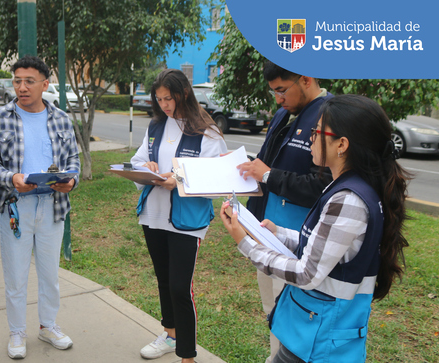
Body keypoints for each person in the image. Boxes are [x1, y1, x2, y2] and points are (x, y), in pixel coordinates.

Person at [221, 94, 409, 363]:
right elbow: (323, 247)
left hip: (321, 340)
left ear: (342, 144)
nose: (310, 137)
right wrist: (279, 234)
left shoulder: (349, 200)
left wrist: (245, 242)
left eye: (317, 131)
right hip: (312, 330)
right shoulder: (343, 186)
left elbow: (307, 273)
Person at [0, 55, 80, 359]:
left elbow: (73, 161)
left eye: (29, 81)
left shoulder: (62, 118)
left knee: (50, 273)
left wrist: (71, 181)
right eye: (17, 80)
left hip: (53, 205)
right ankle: (17, 333)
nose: (21, 87)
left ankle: (48, 325)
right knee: (16, 274)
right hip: (16, 206)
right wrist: (12, 178)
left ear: (44, 84)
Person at [237, 61, 333, 362]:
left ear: (306, 79)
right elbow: (266, 164)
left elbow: (324, 186)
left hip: (298, 242)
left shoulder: (331, 117)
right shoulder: (284, 115)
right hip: (267, 230)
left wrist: (268, 175)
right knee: (274, 313)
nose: (278, 99)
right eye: (273, 92)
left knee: (296, 318)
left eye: (282, 90)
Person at [130, 69, 228, 363]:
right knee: (163, 280)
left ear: (183, 94)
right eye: (159, 99)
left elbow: (218, 178)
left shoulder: (207, 131)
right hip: (154, 214)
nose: (163, 105)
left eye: (168, 98)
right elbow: (137, 160)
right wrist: (145, 167)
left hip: (188, 220)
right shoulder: (156, 126)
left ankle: (187, 356)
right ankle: (169, 334)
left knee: (179, 286)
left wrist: (179, 179)